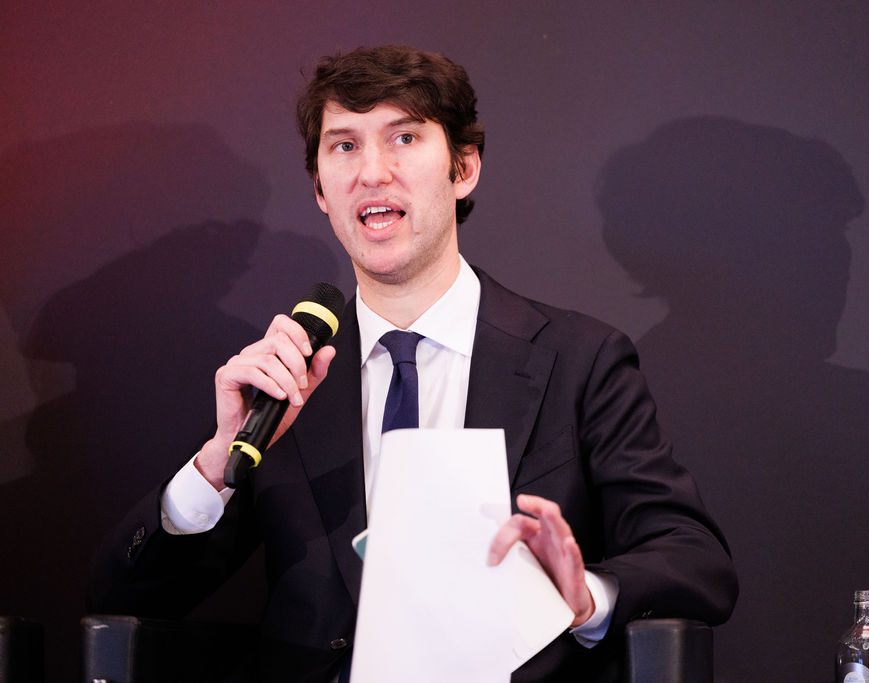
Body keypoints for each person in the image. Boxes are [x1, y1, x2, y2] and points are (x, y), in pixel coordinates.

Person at [88, 45, 738, 682]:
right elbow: (123, 597)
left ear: (464, 168)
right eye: (345, 145)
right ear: (320, 189)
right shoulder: (286, 380)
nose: (372, 171)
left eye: (403, 138)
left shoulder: (580, 360)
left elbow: (695, 561)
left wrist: (579, 595)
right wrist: (216, 466)